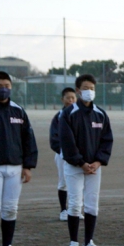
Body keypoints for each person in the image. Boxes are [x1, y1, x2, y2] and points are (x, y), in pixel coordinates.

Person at [60, 74, 113, 246]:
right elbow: (67, 142)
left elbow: (106, 140)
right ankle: (73, 242)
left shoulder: (100, 114)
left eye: (92, 88)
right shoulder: (69, 114)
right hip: (75, 166)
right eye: (85, 88)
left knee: (92, 204)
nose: (89, 91)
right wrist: (81, 162)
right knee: (75, 204)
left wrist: (98, 161)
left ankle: (88, 242)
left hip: (94, 168)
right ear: (77, 90)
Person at [0, 71, 37, 246]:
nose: (3, 89)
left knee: (10, 209)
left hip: (15, 167)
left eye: (7, 86)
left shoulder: (18, 111)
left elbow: (28, 139)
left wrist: (28, 166)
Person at [50, 87, 77, 221]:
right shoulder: (59, 116)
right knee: (63, 182)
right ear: (62, 99)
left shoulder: (80, 114)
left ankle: (75, 209)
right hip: (63, 154)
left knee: (78, 182)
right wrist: (63, 151)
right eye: (68, 98)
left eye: (73, 98)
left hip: (79, 155)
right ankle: (63, 210)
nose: (70, 100)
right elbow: (54, 138)